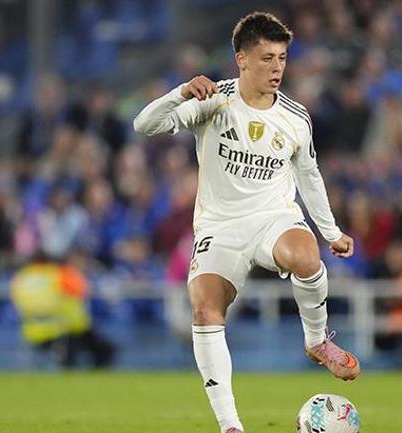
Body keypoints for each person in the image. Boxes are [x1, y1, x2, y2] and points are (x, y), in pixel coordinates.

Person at [133, 12, 358, 433]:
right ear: (242, 59)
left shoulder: (295, 117)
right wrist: (180, 92)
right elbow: (144, 124)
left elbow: (309, 177)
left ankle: (316, 341)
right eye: (267, 58)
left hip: (273, 218)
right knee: (205, 311)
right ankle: (231, 426)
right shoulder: (213, 100)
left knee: (305, 255)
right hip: (220, 228)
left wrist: (330, 231)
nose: (277, 68)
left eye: (282, 58)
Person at [10, 251, 115, 369]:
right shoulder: (58, 273)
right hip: (64, 328)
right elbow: (82, 291)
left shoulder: (21, 277)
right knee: (103, 350)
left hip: (32, 330)